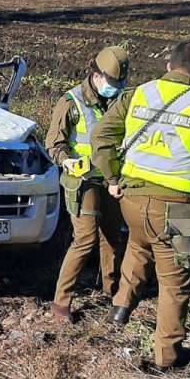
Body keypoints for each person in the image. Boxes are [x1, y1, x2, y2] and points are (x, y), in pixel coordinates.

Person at [90, 41, 190, 369]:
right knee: (175, 279)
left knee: (138, 248)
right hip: (178, 207)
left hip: (133, 199)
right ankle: (167, 357)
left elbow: (100, 138)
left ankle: (120, 308)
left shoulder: (138, 94)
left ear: (169, 65)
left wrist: (112, 178)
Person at [46, 46, 130, 324]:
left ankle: (112, 292)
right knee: (85, 239)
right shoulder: (71, 102)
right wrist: (66, 161)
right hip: (81, 180)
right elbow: (54, 144)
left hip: (111, 178)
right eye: (113, 82)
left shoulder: (121, 100)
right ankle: (61, 303)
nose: (116, 88)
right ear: (96, 76)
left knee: (113, 237)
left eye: (121, 84)